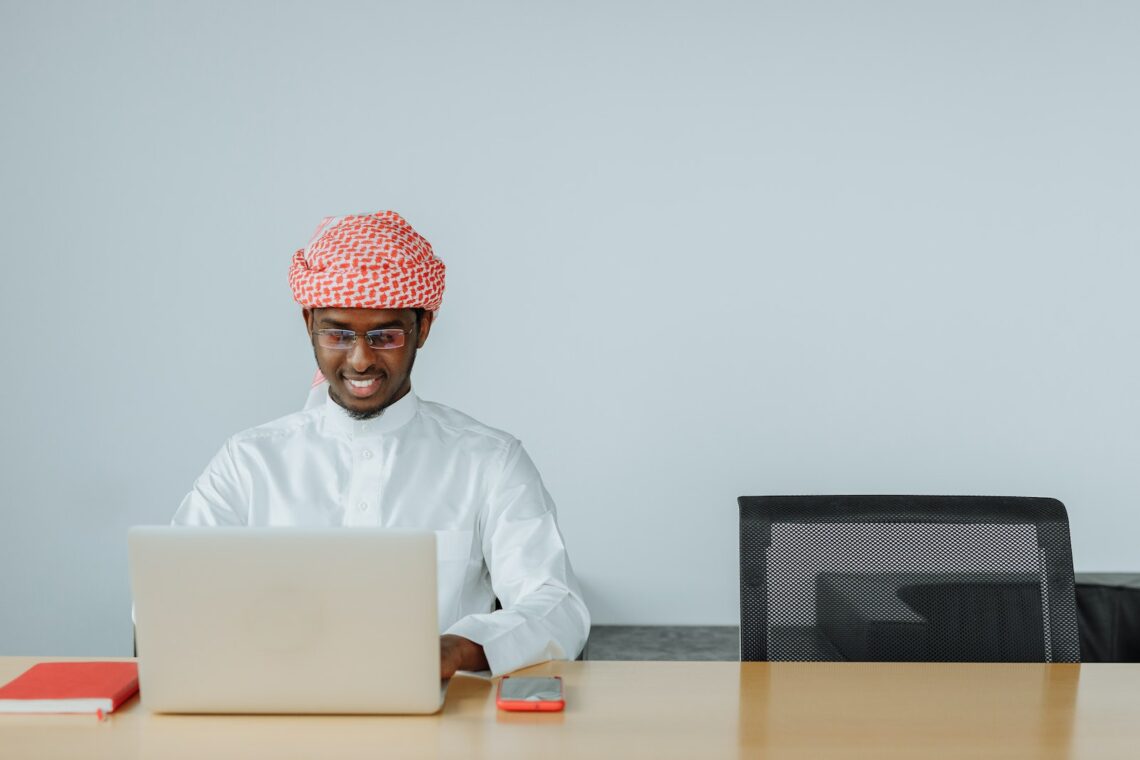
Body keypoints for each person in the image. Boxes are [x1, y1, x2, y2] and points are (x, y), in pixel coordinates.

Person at [173, 211, 590, 677]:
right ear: (309, 322)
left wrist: (456, 649)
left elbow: (558, 607)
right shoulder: (249, 462)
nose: (360, 359)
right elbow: (169, 599)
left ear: (423, 328)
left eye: (385, 335)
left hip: (440, 731)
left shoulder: (489, 461)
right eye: (337, 334)